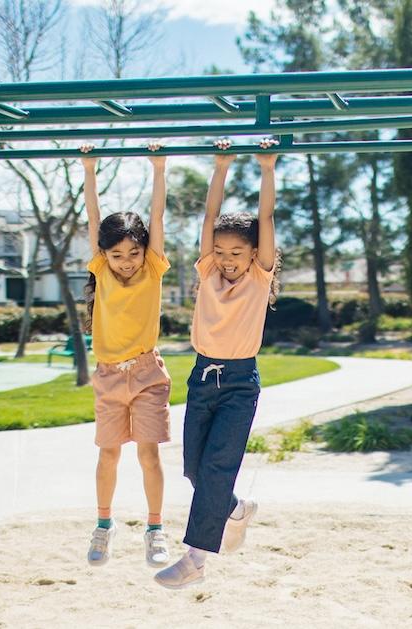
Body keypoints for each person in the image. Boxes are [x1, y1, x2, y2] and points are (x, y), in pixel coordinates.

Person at [155, 138, 281, 589]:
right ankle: (235, 508)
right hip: (202, 376)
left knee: (216, 469)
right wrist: (221, 165)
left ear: (253, 255)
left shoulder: (258, 278)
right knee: (194, 469)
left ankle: (195, 559)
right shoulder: (207, 271)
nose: (228, 260)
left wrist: (266, 167)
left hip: (240, 382)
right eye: (222, 252)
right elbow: (209, 218)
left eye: (237, 253)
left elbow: (265, 218)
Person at [80, 142, 172, 568]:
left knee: (149, 454)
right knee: (109, 454)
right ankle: (103, 525)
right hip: (109, 378)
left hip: (147, 373)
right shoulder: (101, 267)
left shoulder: (153, 265)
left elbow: (156, 217)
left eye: (133, 253)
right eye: (117, 254)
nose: (127, 261)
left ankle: (155, 529)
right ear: (105, 254)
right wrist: (89, 169)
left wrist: (158, 167)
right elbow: (94, 219)